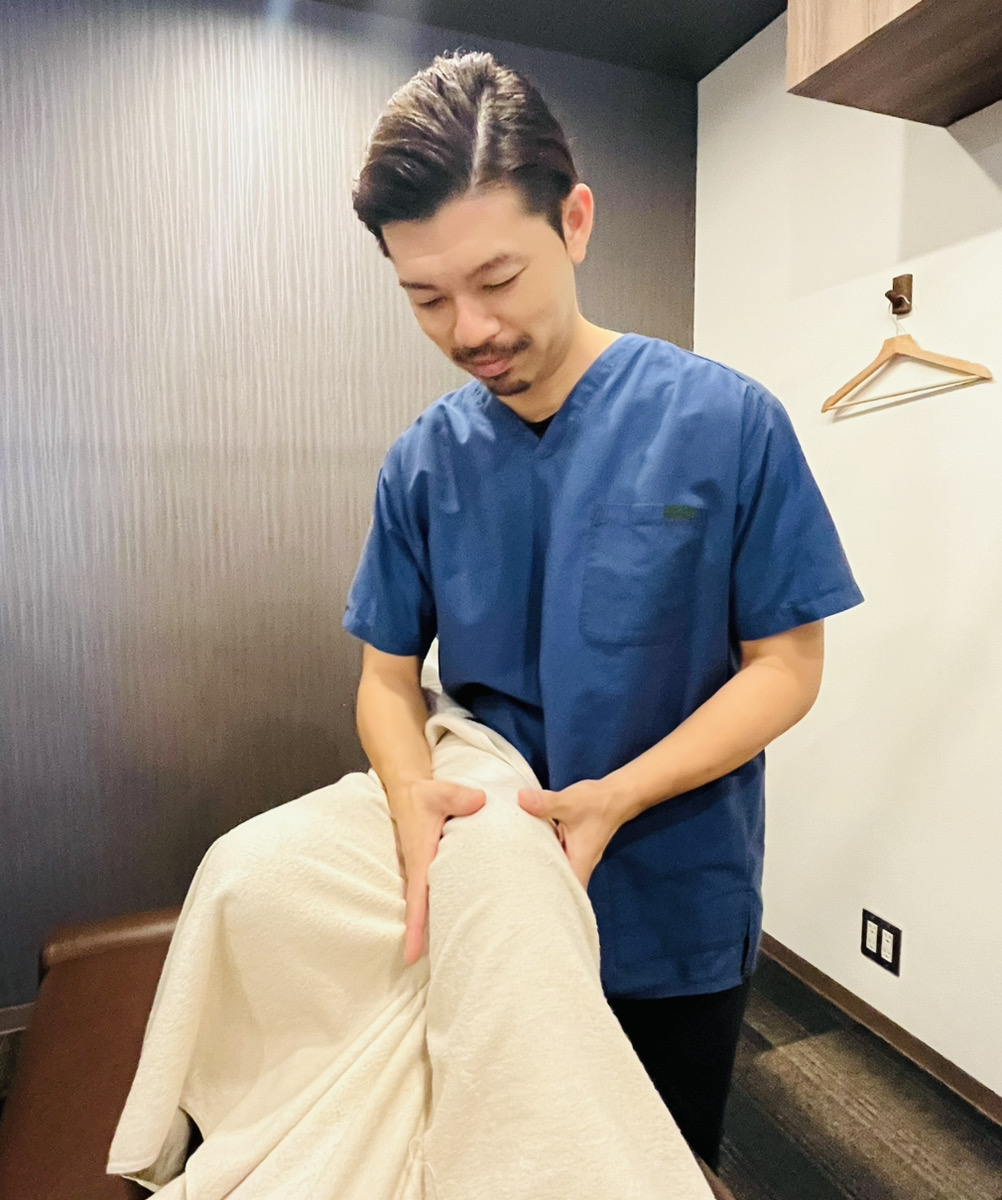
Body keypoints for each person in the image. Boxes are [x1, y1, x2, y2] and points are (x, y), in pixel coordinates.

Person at [343, 49, 864, 1172]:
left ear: (574, 223)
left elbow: (787, 667)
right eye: (426, 298)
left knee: (659, 1162)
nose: (469, 329)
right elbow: (385, 678)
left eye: (498, 279)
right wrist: (408, 794)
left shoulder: (727, 424)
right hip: (491, 897)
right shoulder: (422, 463)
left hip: (671, 898)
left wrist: (616, 797)